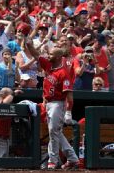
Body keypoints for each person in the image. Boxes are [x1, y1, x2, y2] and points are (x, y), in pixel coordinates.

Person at [26, 39, 79, 170]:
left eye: (51, 55)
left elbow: (69, 94)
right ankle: (72, 158)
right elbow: (37, 55)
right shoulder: (49, 66)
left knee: (53, 131)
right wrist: (28, 44)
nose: (48, 56)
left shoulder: (64, 73)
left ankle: (53, 160)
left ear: (58, 57)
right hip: (48, 102)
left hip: (57, 103)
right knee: (56, 132)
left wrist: (68, 111)